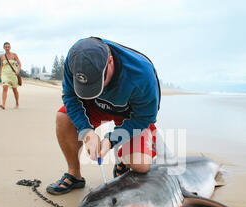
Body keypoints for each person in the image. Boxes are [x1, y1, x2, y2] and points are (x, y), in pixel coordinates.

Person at [46, 37, 161, 195]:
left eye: (98, 82)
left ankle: (123, 161)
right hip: (94, 106)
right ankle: (74, 174)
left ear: (110, 61)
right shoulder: (74, 60)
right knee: (63, 118)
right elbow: (70, 97)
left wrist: (111, 140)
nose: (95, 89)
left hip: (129, 112)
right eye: (86, 86)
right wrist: (86, 132)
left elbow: (145, 117)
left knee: (140, 165)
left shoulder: (142, 73)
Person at [0, 42, 21, 110]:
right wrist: (0, 74)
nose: (7, 48)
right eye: (6, 47)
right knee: (5, 87)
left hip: (13, 74)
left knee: (14, 89)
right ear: (4, 48)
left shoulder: (14, 55)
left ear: (10, 47)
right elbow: (1, 66)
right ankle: (3, 104)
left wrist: (18, 71)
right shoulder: (2, 56)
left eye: (8, 47)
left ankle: (17, 103)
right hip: (5, 74)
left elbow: (19, 64)